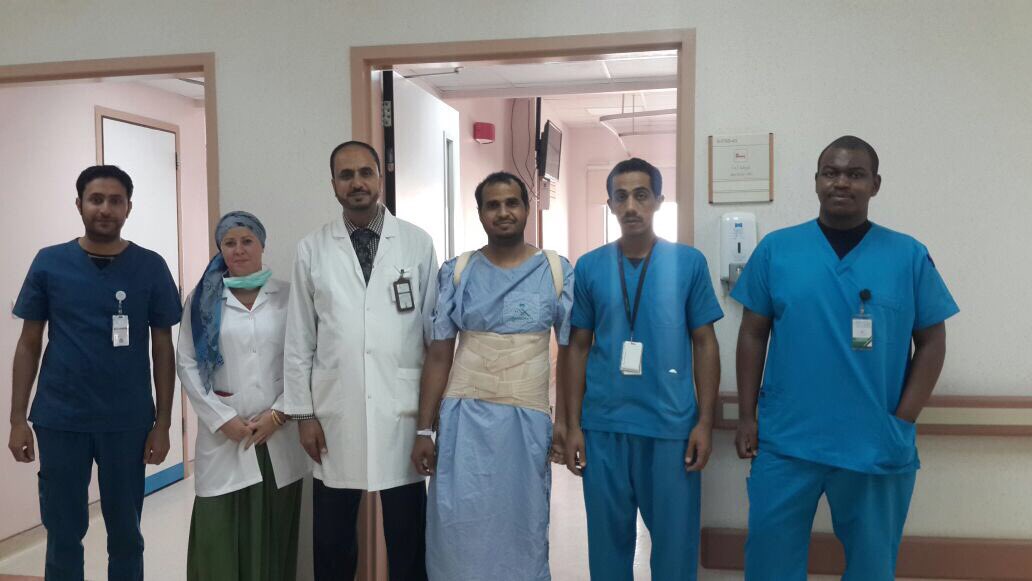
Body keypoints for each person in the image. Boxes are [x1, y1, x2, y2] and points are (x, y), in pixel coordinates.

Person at [732, 136, 959, 580]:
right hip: (787, 441)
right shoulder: (777, 250)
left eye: (855, 174)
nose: (841, 182)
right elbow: (752, 334)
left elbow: (933, 342)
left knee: (872, 568)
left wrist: (903, 420)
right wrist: (745, 416)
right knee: (769, 565)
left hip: (875, 442)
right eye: (831, 172)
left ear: (875, 184)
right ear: (816, 181)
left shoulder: (908, 256)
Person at [7, 165, 182, 580]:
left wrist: (163, 424)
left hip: (127, 421)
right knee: (63, 532)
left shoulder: (150, 266)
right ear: (79, 204)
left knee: (126, 533)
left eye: (115, 200)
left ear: (128, 208)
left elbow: (162, 348)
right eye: (96, 199)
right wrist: (17, 419)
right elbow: (29, 342)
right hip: (60, 418)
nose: (105, 209)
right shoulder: (50, 263)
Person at [284, 140, 438, 581]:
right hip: (335, 413)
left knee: (408, 535)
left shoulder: (416, 243)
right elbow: (299, 338)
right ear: (333, 184)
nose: (357, 183)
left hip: (402, 411)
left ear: (380, 178)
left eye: (365, 172)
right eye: (346, 175)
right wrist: (304, 416)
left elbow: (435, 338)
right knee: (333, 539)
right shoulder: (312, 249)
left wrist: (428, 424)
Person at [564, 158, 722, 581]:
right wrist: (572, 424)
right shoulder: (590, 266)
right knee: (607, 546)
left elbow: (705, 342)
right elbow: (577, 346)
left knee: (674, 547)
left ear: (658, 201)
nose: (631, 206)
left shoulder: (688, 263)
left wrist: (705, 422)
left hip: (670, 427)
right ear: (610, 205)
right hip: (604, 425)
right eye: (621, 197)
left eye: (641, 195)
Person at [411, 172, 573, 581]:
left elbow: (572, 354)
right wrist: (424, 429)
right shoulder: (458, 272)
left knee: (523, 523)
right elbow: (439, 355)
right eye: (493, 205)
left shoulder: (555, 271)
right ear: (480, 213)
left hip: (527, 419)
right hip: (464, 419)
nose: (503, 212)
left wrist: (568, 423)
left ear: (527, 209)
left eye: (512, 203)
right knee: (458, 525)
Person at [177, 211, 310, 580]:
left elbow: (305, 358)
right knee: (218, 532)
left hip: (276, 433)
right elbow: (187, 363)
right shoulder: (202, 300)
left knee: (273, 532)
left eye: (247, 241)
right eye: (229, 243)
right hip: (226, 435)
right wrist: (222, 419)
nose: (238, 249)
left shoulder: (288, 296)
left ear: (262, 245)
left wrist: (279, 415)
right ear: (220, 249)